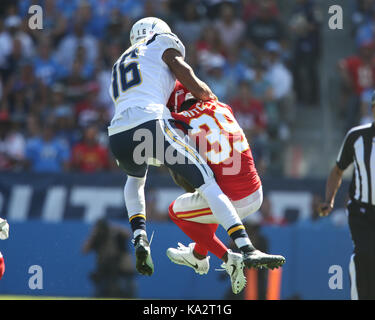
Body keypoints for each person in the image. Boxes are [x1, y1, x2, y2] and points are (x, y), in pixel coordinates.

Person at [108, 17, 277, 277]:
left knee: (135, 180)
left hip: (118, 132)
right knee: (207, 184)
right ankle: (245, 247)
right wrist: (204, 92)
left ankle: (140, 235)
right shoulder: (162, 44)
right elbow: (178, 66)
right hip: (152, 121)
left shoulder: (119, 63)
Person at [165, 81, 285, 295]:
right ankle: (198, 255)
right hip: (256, 192)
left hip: (233, 201)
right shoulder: (222, 106)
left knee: (176, 211)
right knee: (211, 195)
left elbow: (181, 168)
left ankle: (228, 257)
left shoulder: (178, 121)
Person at [319, 90, 375, 300]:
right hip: (362, 211)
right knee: (365, 255)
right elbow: (338, 170)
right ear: (372, 109)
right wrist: (329, 200)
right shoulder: (357, 137)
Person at [82, 218, 136, 298]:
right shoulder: (97, 237)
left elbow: (129, 234)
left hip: (121, 266)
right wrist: (93, 235)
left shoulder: (116, 234)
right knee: (102, 288)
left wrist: (115, 228)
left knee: (127, 285)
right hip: (105, 268)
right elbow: (84, 250)